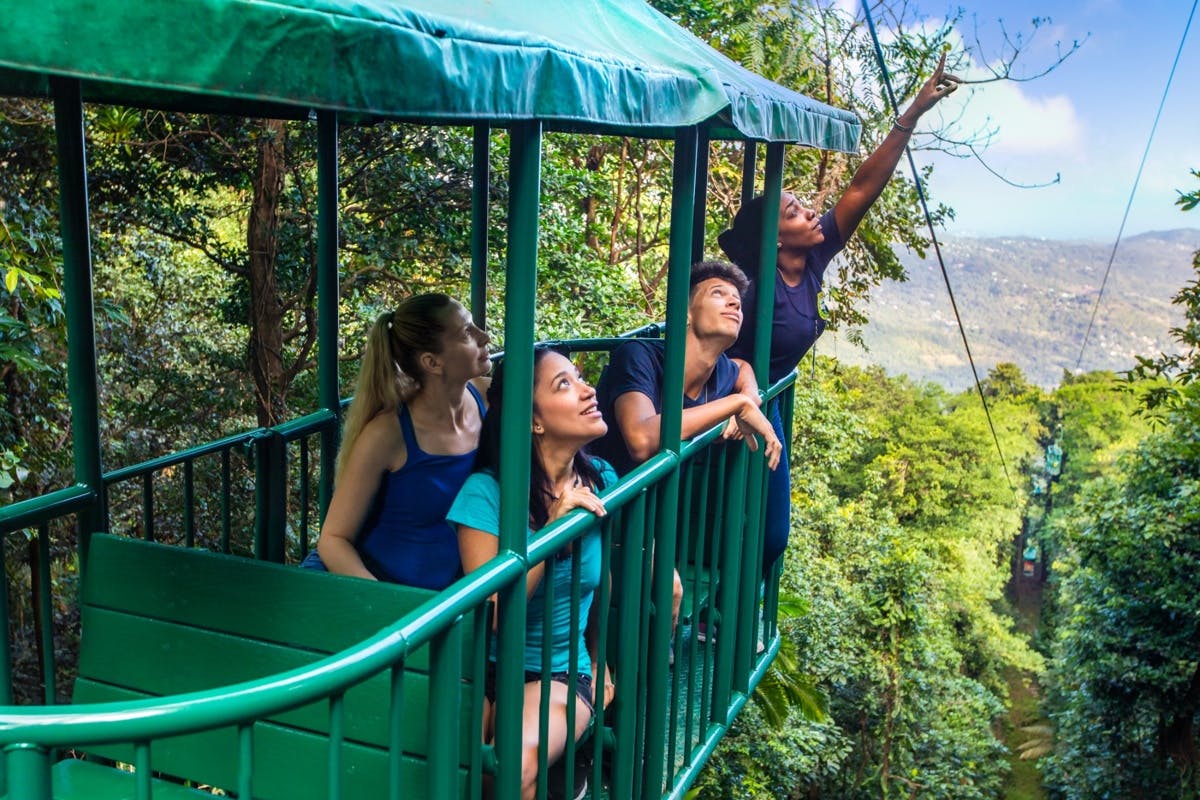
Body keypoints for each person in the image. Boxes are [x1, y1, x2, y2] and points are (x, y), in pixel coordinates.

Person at [717, 53, 961, 572]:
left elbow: (861, 189)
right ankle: (709, 617)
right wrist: (739, 395)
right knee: (737, 520)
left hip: (771, 396)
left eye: (805, 206)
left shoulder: (812, 261)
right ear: (774, 238)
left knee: (770, 532)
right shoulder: (753, 289)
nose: (810, 211)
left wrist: (911, 116)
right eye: (795, 212)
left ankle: (727, 614)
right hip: (736, 398)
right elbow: (716, 345)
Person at [450, 346, 615, 800]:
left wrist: (601, 660)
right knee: (454, 766)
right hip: (481, 664)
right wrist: (552, 531)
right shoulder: (487, 493)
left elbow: (604, 584)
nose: (587, 389)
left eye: (580, 377)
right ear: (533, 421)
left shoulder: (600, 479)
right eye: (565, 384)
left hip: (560, 671)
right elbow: (497, 614)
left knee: (508, 766)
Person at [591, 259, 782, 629]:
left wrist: (750, 392)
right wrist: (737, 404)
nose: (734, 304)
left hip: (644, 512)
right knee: (670, 591)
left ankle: (653, 661)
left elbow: (742, 367)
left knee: (668, 594)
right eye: (718, 294)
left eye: (737, 300)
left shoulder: (723, 372)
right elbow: (642, 438)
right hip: (598, 497)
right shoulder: (640, 357)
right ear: (686, 315)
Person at [303, 293, 491, 589]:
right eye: (467, 332)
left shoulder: (482, 396)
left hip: (435, 599)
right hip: (369, 587)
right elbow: (333, 539)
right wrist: (383, 604)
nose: (484, 336)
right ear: (432, 362)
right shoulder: (388, 434)